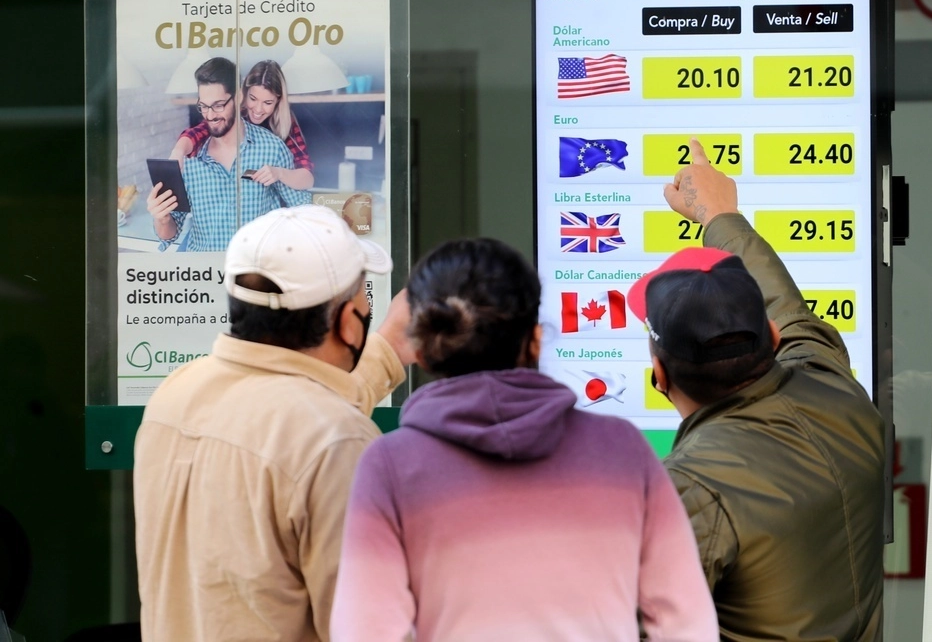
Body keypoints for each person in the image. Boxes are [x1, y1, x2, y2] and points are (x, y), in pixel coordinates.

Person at [331, 238, 719, 642]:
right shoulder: (622, 450)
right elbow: (686, 622)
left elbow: (366, 631)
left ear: (423, 353)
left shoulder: (389, 466)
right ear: (536, 339)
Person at [626, 139, 886, 641]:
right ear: (771, 337)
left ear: (659, 377)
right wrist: (720, 214)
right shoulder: (832, 385)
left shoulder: (692, 488)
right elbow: (787, 306)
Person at [133, 204, 415, 642]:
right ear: (346, 321)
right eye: (364, 293)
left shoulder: (175, 395)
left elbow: (297, 415)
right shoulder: (336, 441)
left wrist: (391, 346)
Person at [146, 56, 311, 251]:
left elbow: (303, 210)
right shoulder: (188, 160)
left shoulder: (273, 148)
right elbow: (169, 234)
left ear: (238, 97)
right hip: (203, 273)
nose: (210, 115)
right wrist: (161, 219)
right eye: (204, 106)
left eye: (218, 105)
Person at [170, 59, 315, 189]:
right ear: (242, 95)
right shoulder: (233, 113)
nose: (258, 109)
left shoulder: (285, 124)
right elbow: (200, 131)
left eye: (267, 103)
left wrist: (279, 173)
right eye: (253, 99)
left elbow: (307, 179)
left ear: (278, 101)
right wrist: (179, 151)